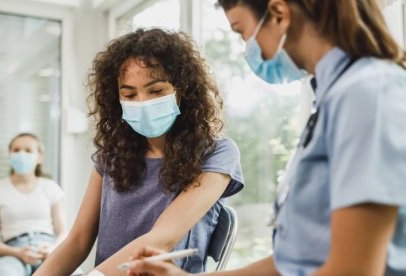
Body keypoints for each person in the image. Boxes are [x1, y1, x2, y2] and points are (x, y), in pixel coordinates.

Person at [127, 1, 406, 275]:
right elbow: (292, 262)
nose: (246, 47)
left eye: (241, 32)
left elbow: (353, 270)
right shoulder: (333, 100)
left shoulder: (366, 96)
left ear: (279, 14)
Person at [34, 28, 244, 276]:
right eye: (129, 94)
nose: (142, 102)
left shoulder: (217, 153)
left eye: (156, 91)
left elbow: (161, 238)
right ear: (117, 100)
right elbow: (78, 240)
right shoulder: (111, 156)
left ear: (182, 90)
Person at [0, 133, 66, 276]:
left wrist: (53, 249)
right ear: (10, 155)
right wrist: (18, 253)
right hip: (13, 252)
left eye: (28, 150)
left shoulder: (50, 187)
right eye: (16, 150)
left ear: (39, 157)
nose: (21, 154)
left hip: (48, 249)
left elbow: (63, 232)